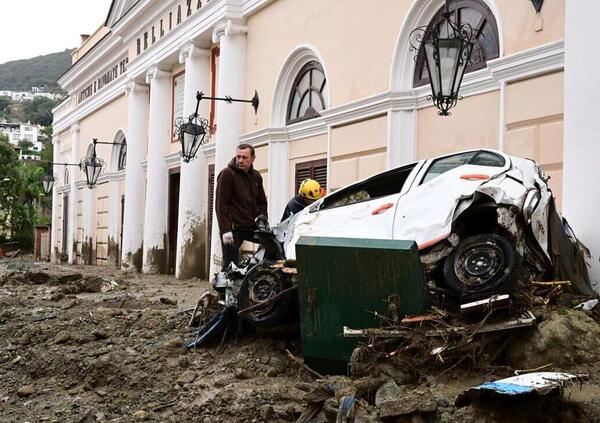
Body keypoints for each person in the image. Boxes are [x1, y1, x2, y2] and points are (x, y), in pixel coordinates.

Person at [215, 144, 268, 270]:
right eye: (238, 156)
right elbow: (221, 204)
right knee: (229, 264)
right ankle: (224, 289)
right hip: (234, 228)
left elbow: (262, 202)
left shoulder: (256, 176)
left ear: (253, 159)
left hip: (252, 226)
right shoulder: (227, 174)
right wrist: (225, 230)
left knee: (272, 246)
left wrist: (263, 219)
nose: (240, 160)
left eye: (245, 157)